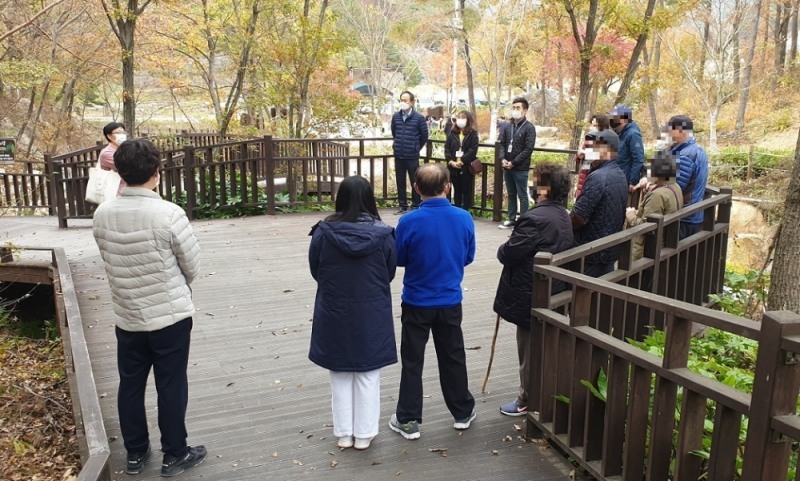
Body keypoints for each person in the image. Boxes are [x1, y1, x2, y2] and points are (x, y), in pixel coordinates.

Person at [92, 139, 206, 477]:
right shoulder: (169, 213)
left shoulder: (102, 213)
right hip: (168, 315)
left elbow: (107, 258)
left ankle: (135, 454)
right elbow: (193, 266)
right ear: (156, 173)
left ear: (121, 173)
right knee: (171, 384)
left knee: (130, 384)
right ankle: (175, 453)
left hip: (127, 315)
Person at [308, 176, 397, 451]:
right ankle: (365, 433)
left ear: (341, 198)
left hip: (335, 308)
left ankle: (344, 433)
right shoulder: (384, 234)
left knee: (340, 371)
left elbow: (316, 269)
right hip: (372, 309)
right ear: (370, 198)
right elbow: (389, 271)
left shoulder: (323, 232)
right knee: (369, 373)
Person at [389, 163, 477, 440]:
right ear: (448, 186)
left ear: (416, 188)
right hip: (450, 299)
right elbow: (468, 256)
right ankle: (462, 411)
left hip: (416, 299)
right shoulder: (464, 218)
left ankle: (409, 419)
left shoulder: (408, 222)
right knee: (453, 355)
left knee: (413, 360)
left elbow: (399, 258)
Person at [494, 163, 574, 417]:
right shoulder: (563, 213)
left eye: (537, 181)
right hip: (552, 288)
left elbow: (509, 253)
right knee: (542, 346)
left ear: (545, 188)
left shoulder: (534, 218)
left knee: (528, 349)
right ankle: (542, 394)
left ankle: (527, 398)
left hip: (530, 293)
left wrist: (504, 247)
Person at [570, 129, 629, 277]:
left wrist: (564, 227)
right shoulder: (620, 174)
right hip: (608, 248)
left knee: (582, 293)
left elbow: (579, 216)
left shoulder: (598, 177)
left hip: (592, 251)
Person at [625, 150, 683, 260]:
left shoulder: (657, 195)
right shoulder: (676, 187)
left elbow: (648, 227)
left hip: (647, 251)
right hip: (666, 244)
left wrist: (631, 217)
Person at [665, 115, 709, 239]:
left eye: (670, 129)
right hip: (692, 213)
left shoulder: (686, 155)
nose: (668, 132)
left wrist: (654, 184)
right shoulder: (694, 150)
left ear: (680, 130)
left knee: (675, 253)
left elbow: (676, 187)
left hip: (684, 215)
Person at [498, 96, 536, 229]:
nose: (515, 110)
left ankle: (523, 221)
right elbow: (502, 144)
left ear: (524, 111)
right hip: (507, 166)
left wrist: (514, 162)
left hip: (520, 168)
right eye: (513, 108)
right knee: (511, 194)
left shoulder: (529, 128)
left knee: (522, 195)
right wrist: (502, 159)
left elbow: (528, 149)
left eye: (518, 108)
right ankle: (511, 218)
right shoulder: (508, 127)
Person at [391, 91, 429, 214]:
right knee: (400, 181)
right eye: (401, 100)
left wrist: (415, 147)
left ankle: (415, 205)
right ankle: (402, 205)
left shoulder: (419, 118)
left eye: (405, 100)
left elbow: (424, 136)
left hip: (412, 155)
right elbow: (394, 133)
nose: (403, 102)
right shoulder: (396, 116)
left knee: (414, 181)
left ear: (411, 102)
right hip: (399, 154)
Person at [609, 104, 645, 208]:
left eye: (615, 117)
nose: (612, 119)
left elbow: (638, 159)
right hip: (615, 177)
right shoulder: (618, 132)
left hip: (624, 179)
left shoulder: (633, 134)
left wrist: (632, 181)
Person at [445, 110, 480, 210]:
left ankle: (465, 211)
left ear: (468, 120)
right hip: (453, 167)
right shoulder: (452, 132)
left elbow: (473, 150)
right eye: (459, 117)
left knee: (466, 190)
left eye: (463, 117)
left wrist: (462, 161)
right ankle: (457, 210)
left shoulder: (472, 133)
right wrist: (451, 161)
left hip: (466, 167)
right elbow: (447, 148)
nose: (460, 119)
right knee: (457, 190)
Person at [574, 113, 610, 200]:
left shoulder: (606, 140)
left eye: (595, 125)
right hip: (584, 173)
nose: (592, 127)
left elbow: (602, 157)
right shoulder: (588, 139)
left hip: (595, 177)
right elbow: (581, 158)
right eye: (591, 125)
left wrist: (586, 153)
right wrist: (580, 156)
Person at [99, 122, 127, 195]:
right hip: (115, 192)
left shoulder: (126, 149)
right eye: (118, 133)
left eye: (123, 133)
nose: (122, 135)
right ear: (109, 136)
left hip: (128, 190)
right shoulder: (107, 153)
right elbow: (128, 167)